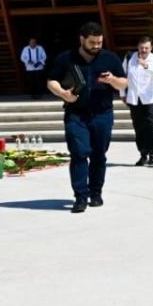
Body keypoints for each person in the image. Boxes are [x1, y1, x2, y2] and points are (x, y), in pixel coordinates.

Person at [47, 22, 128, 214]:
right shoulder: (65, 58)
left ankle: (96, 193)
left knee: (99, 155)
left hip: (103, 114)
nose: (97, 46)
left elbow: (124, 82)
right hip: (76, 114)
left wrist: (112, 80)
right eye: (93, 43)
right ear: (82, 39)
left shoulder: (110, 58)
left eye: (99, 42)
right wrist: (63, 93)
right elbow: (51, 81)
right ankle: (80, 197)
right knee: (79, 153)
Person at [121, 35, 153, 167]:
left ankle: (152, 155)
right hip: (134, 98)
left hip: (150, 98)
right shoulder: (130, 57)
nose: (144, 50)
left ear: (151, 48)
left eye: (146, 48)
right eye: (141, 47)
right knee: (138, 127)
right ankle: (143, 154)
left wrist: (146, 66)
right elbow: (122, 76)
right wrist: (122, 93)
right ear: (138, 47)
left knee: (151, 126)